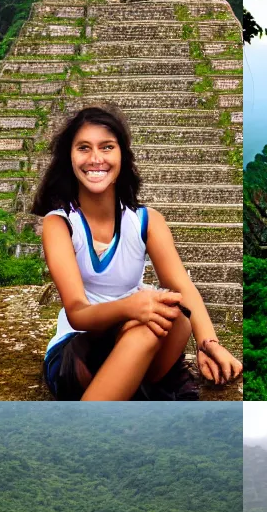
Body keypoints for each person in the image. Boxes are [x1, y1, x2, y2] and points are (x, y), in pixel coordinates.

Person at [34, 105, 242, 399]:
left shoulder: (146, 221)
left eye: (107, 147)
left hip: (137, 343)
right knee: (148, 325)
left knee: (178, 318)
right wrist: (130, 307)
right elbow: (77, 312)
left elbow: (182, 285)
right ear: (70, 158)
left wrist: (209, 343)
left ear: (122, 156)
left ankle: (131, 388)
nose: (96, 159)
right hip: (77, 354)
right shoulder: (60, 224)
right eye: (84, 148)